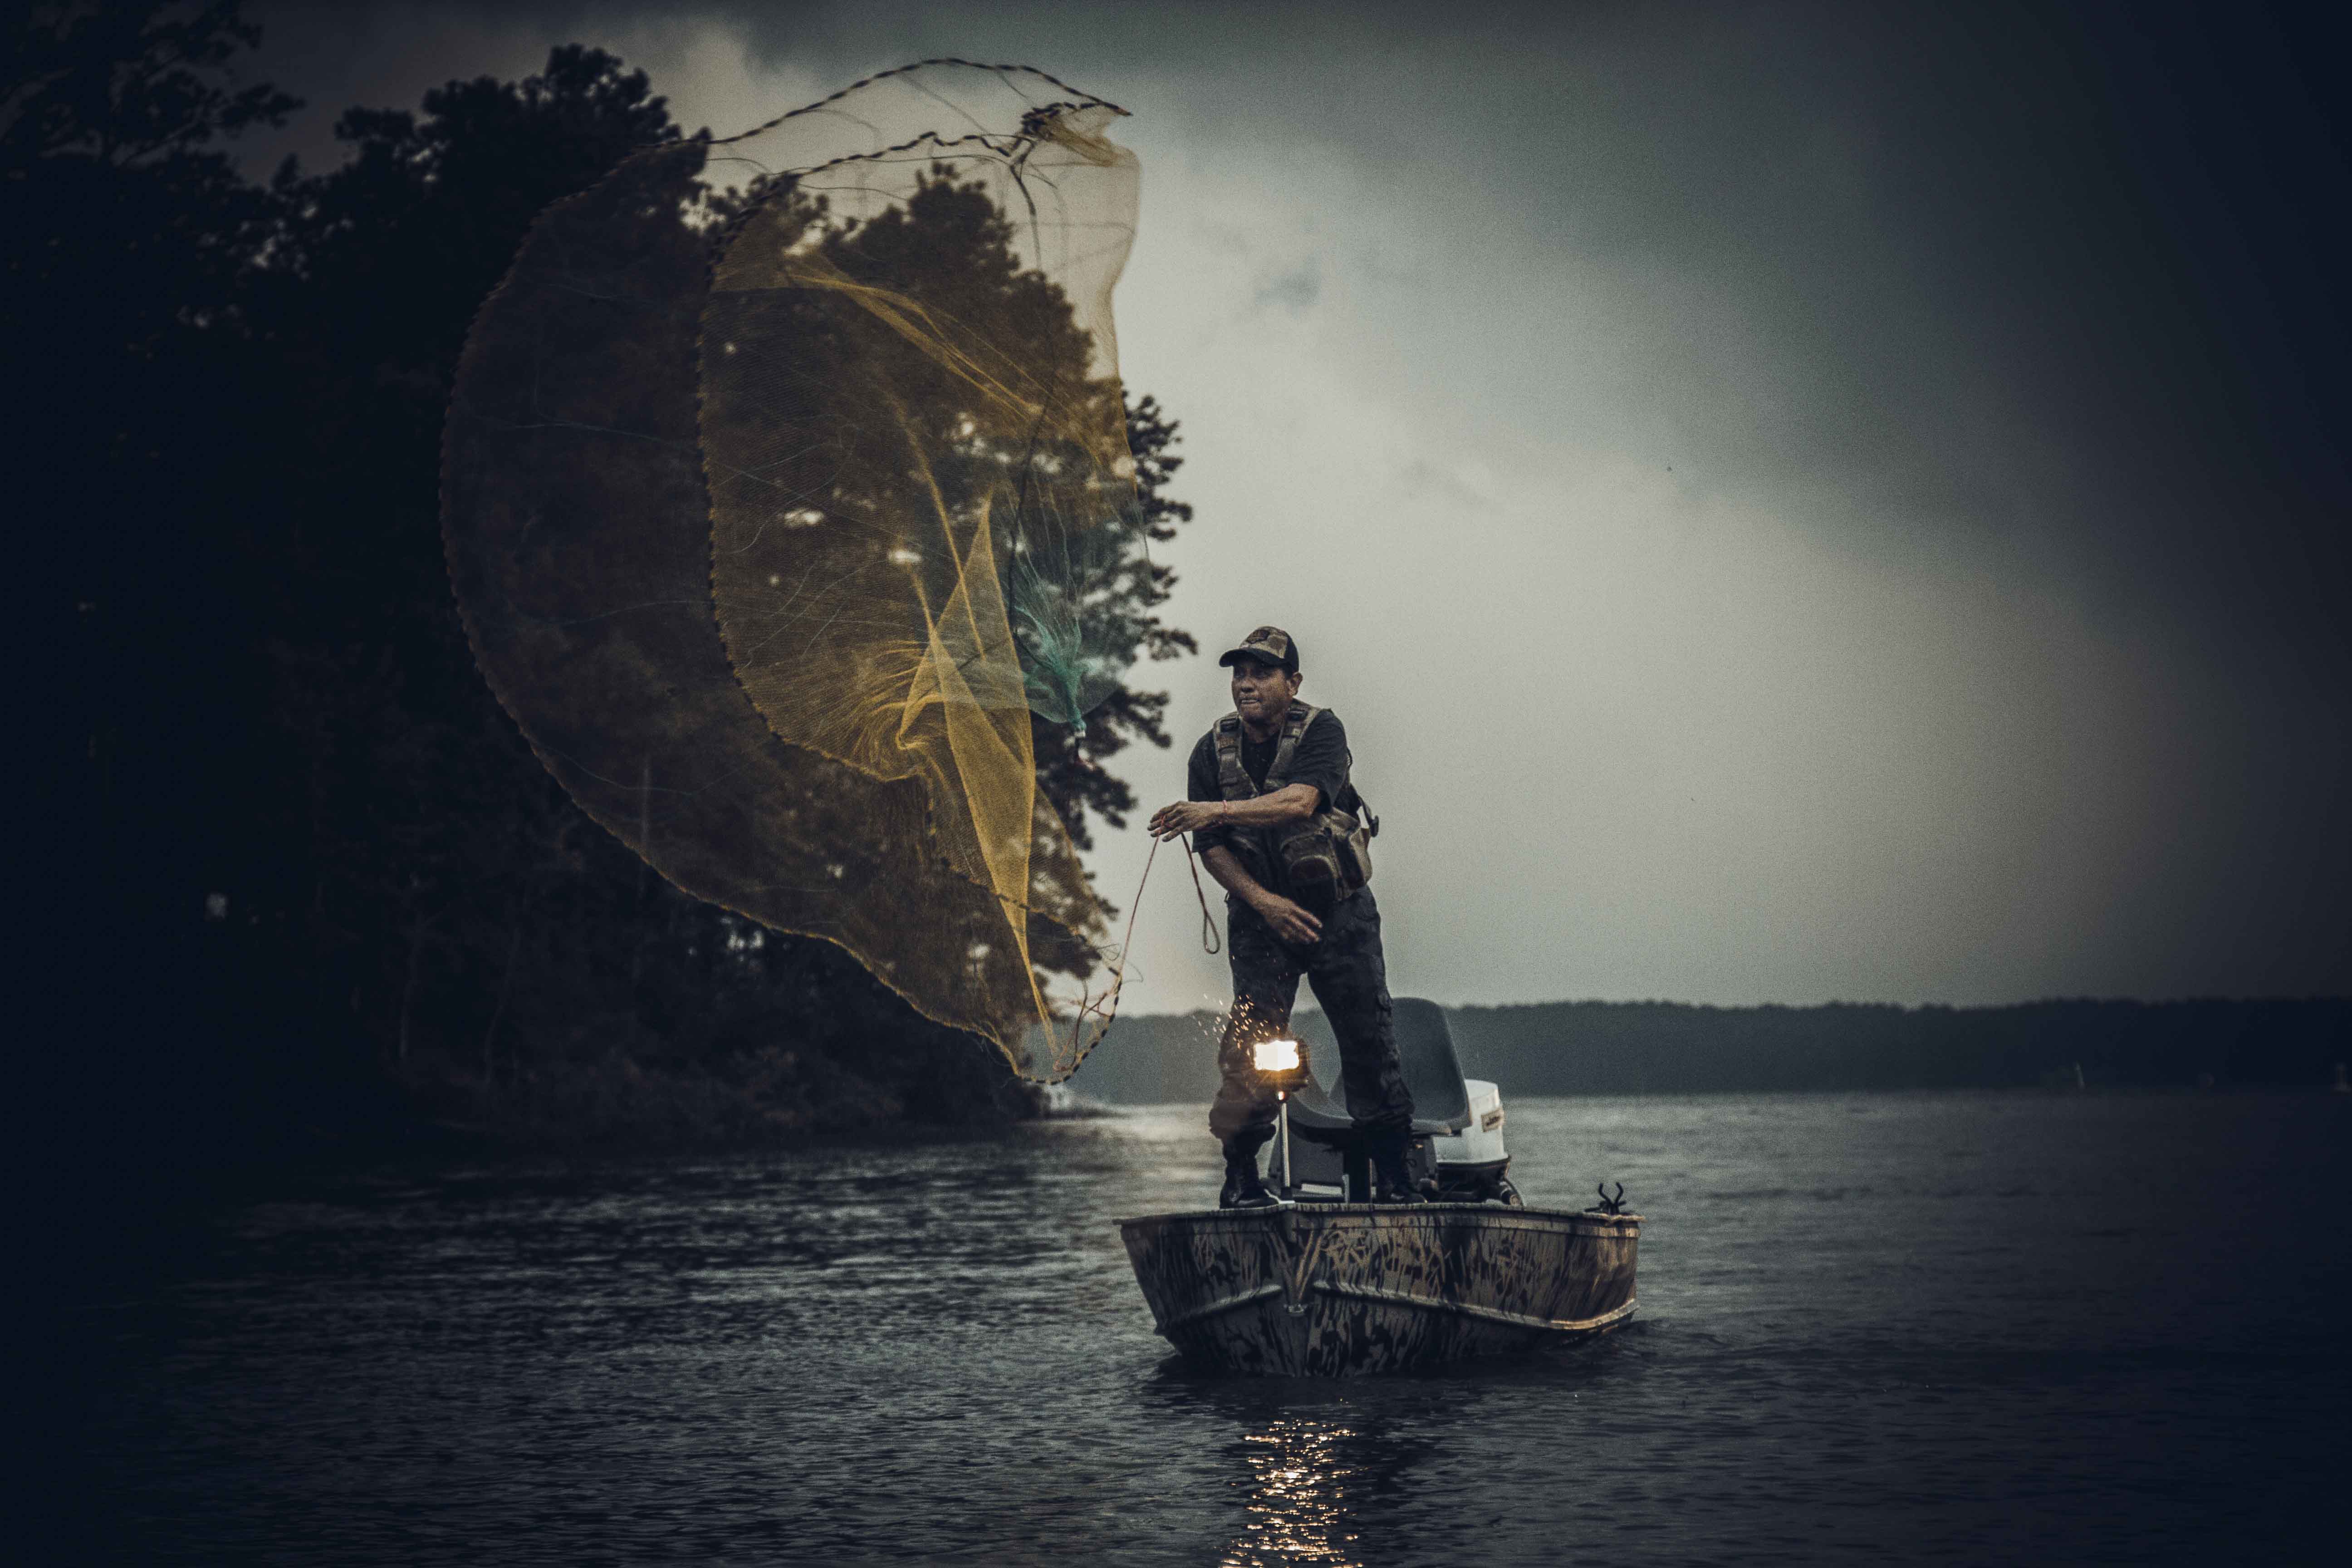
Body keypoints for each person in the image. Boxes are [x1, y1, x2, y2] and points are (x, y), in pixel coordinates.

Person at [1147, 626, 1418, 1207]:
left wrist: (1212, 809)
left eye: (1262, 674)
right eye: (1239, 674)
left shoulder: (1322, 731)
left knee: (1369, 1042)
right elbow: (1213, 848)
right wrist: (1266, 905)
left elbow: (1302, 801)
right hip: (1261, 919)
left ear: (1292, 684)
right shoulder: (1209, 751)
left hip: (1338, 916)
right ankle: (1242, 1181)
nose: (1246, 685)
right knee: (1253, 1046)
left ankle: (1397, 1184)